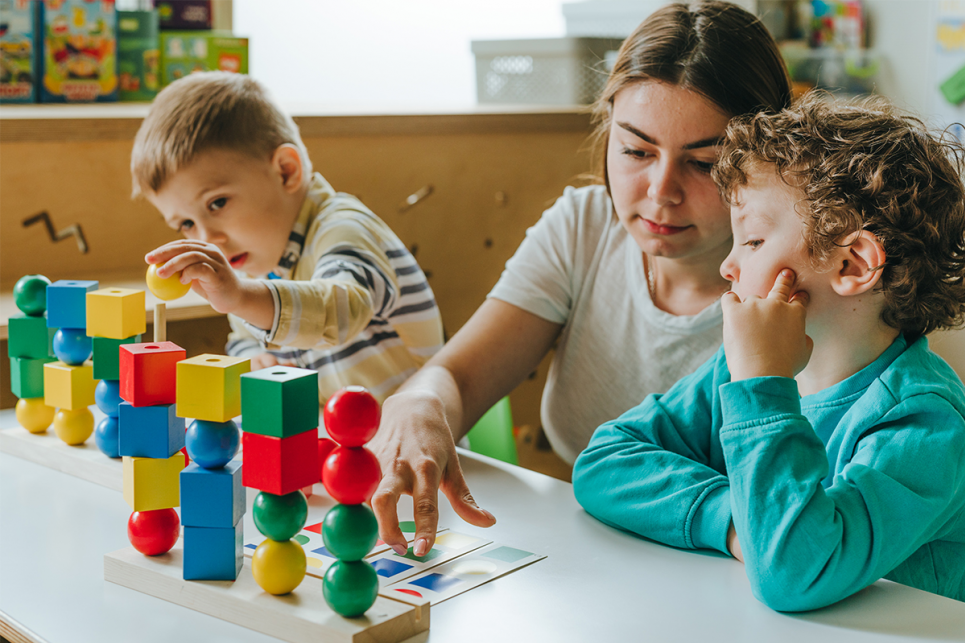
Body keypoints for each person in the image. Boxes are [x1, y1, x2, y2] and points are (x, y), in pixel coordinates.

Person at [368, 1, 793, 558]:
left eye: (705, 163)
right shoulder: (585, 226)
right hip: (588, 554)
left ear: (772, 157)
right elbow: (458, 379)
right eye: (636, 150)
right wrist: (419, 403)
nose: (659, 191)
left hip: (744, 569)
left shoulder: (797, 287)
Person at [573, 92, 965, 610]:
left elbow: (793, 571)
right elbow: (604, 462)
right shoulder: (738, 371)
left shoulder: (925, 426)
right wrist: (736, 524)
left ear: (851, 266)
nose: (727, 267)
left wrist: (762, 386)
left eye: (753, 241)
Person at [130, 72, 444, 403]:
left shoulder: (343, 228)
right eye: (186, 224)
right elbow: (243, 337)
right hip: (339, 444)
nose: (209, 238)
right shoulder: (253, 264)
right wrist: (252, 358)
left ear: (286, 171)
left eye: (217, 203)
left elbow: (340, 312)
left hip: (417, 442)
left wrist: (240, 297)